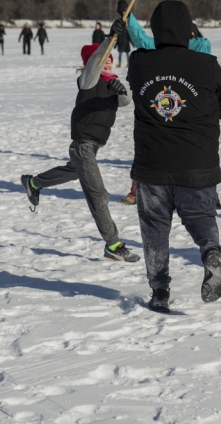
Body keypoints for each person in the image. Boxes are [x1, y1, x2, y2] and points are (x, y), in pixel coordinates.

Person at [127, 0, 221, 313]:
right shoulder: (207, 64)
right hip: (197, 164)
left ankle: (159, 289)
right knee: (202, 218)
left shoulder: (139, 63)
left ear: (156, 30)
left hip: (152, 166)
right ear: (188, 29)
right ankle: (211, 252)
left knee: (155, 229)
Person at [21, 18, 140, 263]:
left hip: (91, 146)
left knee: (73, 171)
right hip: (84, 144)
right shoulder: (89, 80)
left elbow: (127, 102)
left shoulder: (112, 82)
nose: (108, 59)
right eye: (103, 58)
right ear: (92, 63)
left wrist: (122, 89)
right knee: (98, 194)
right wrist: (109, 39)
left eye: (110, 57)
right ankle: (112, 244)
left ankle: (33, 182)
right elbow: (95, 63)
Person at [118, 0, 212, 206]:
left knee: (192, 153)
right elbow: (142, 40)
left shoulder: (200, 47)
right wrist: (129, 17)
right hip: (161, 106)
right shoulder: (157, 47)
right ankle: (137, 189)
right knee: (148, 147)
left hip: (187, 108)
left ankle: (205, 192)